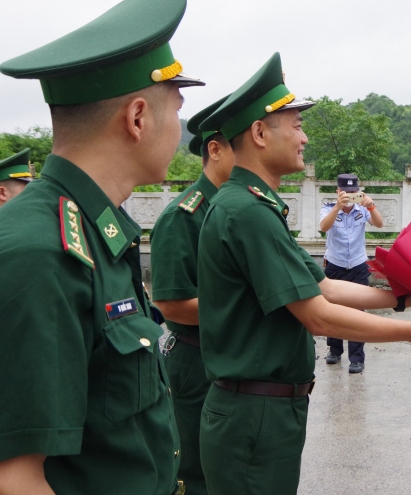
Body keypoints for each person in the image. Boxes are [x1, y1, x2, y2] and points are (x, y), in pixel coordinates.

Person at [195, 52, 411, 495]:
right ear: (259, 132)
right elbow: (319, 316)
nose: (305, 137)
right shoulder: (246, 212)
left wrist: (406, 299)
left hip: (260, 409)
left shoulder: (251, 206)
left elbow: (324, 286)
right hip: (254, 414)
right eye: (295, 126)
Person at [0, 0, 204, 493]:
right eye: (176, 110)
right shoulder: (43, 252)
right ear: (137, 118)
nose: (181, 130)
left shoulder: (96, 231)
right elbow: (17, 479)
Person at [149, 94, 234, 495]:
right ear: (214, 151)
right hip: (195, 360)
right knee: (195, 474)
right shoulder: (183, 216)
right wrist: (248, 311)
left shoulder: (240, 211)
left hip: (233, 356)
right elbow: (170, 304)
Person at [319, 173, 385, 373]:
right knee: (333, 309)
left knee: (358, 311)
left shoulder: (362, 209)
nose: (349, 196)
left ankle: (357, 358)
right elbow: (323, 227)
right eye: (345, 192)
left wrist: (371, 206)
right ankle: (334, 350)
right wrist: (338, 207)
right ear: (337, 192)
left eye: (353, 192)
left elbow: (380, 224)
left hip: (357, 265)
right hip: (335, 265)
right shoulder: (328, 208)